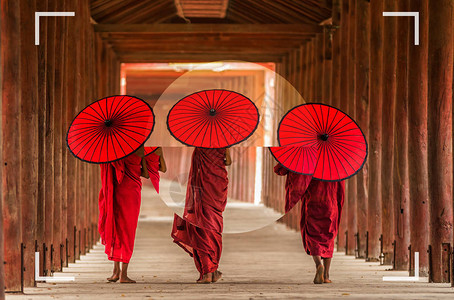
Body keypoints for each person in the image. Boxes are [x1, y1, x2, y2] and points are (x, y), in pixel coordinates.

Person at [98, 145, 166, 283]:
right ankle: (124, 274)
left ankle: (115, 272)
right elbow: (146, 174)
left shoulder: (115, 149)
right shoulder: (140, 149)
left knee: (116, 228)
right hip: (132, 193)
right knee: (128, 231)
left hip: (117, 190)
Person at [274, 163, 344, 284]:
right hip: (331, 203)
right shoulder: (334, 160)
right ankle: (326, 275)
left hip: (312, 200)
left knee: (312, 235)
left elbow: (280, 169)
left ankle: (318, 265)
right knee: (329, 236)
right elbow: (340, 189)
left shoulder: (306, 155)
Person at [171, 147, 232, 283]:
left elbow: (196, 170)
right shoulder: (224, 144)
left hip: (203, 190)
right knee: (214, 228)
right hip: (217, 188)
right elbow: (228, 162)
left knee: (201, 228)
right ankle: (212, 269)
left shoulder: (199, 147)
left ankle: (207, 273)